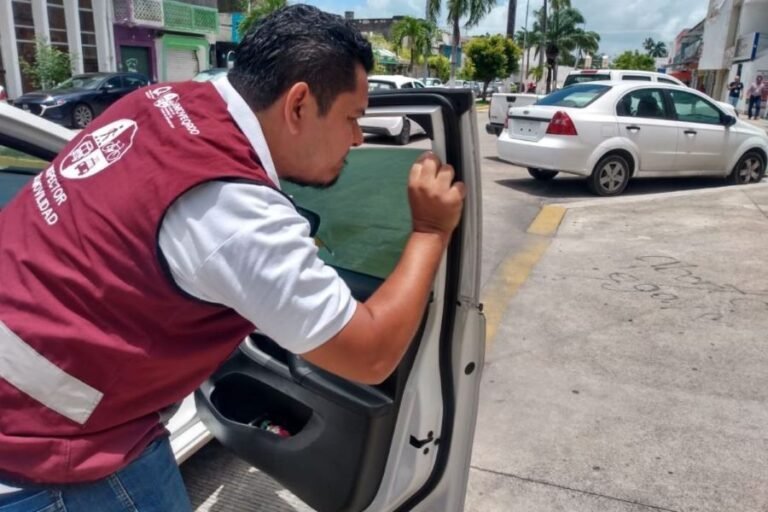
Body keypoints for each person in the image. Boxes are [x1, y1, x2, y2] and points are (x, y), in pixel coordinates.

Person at [0, 5, 465, 511]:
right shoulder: (234, 209)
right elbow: (370, 355)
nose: (357, 138)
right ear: (299, 105)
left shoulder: (156, 102)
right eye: (352, 118)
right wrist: (429, 230)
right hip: (56, 457)